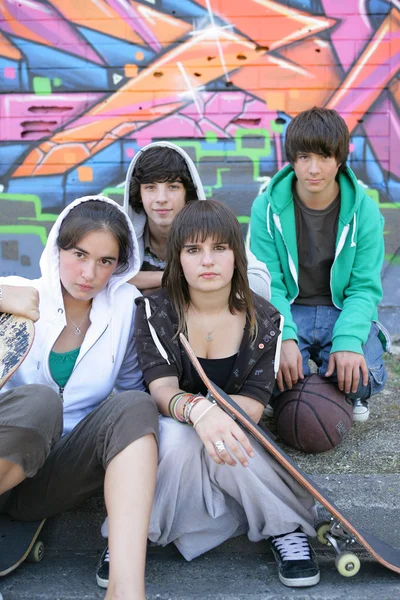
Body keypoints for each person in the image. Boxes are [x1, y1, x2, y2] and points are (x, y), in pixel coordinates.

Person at [101, 200, 320, 589]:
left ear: (237, 255)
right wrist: (198, 411)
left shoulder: (266, 320)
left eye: (219, 248)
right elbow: (161, 389)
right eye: (193, 249)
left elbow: (253, 403)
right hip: (173, 439)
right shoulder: (154, 311)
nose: (207, 261)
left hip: (233, 435)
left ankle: (284, 529)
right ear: (177, 258)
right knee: (177, 438)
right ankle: (130, 536)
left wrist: (217, 422)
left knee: (226, 440)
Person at [0, 196, 158, 600]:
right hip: (9, 446)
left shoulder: (125, 307)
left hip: (54, 475)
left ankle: (126, 590)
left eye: (106, 261)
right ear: (57, 250)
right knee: (40, 403)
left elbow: (127, 389)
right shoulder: (19, 294)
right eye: (79, 254)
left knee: (136, 406)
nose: (89, 273)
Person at [249, 107, 389, 424]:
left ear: (339, 159)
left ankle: (339, 394)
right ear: (292, 159)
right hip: (291, 307)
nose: (314, 169)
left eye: (324, 157)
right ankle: (302, 391)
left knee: (364, 373)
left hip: (340, 308)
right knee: (260, 367)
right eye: (304, 157)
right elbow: (269, 284)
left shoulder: (364, 210)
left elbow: (364, 288)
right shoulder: (266, 208)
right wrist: (282, 337)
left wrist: (349, 341)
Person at [124, 141, 272, 298]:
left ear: (187, 192)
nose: (161, 198)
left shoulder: (213, 228)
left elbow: (260, 285)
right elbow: (106, 279)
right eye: (150, 187)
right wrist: (172, 278)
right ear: (138, 193)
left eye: (173, 187)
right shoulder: (124, 234)